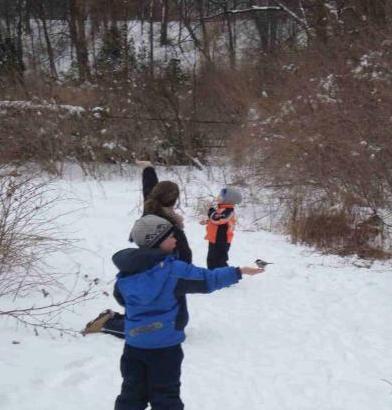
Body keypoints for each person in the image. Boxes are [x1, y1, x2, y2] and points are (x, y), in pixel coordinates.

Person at [113, 214, 264, 410]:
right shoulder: (173, 271)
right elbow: (207, 279)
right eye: (170, 237)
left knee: (131, 395)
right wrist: (238, 272)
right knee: (166, 396)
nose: (175, 240)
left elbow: (121, 299)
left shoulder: (127, 273)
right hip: (165, 349)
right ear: (156, 241)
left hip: (134, 346)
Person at [82, 166, 192, 337]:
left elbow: (149, 189)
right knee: (174, 324)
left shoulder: (151, 210)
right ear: (174, 200)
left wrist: (148, 169)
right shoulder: (165, 224)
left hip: (162, 274)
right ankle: (107, 324)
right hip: (166, 274)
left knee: (172, 319)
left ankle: (115, 319)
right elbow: (184, 255)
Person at [200, 187, 242, 269]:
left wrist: (211, 210)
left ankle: (226, 276)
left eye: (221, 195)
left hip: (222, 240)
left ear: (228, 199)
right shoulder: (221, 209)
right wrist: (207, 221)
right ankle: (212, 275)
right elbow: (216, 221)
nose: (218, 196)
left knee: (220, 260)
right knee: (211, 259)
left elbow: (218, 219)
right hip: (214, 239)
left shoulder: (229, 211)